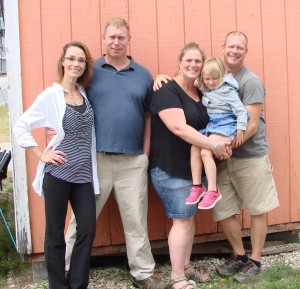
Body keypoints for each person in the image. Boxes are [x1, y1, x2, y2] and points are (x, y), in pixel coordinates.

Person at [153, 31, 279, 283]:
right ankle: (239, 255)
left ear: (246, 50)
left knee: (256, 208)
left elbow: (251, 124)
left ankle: (255, 259)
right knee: (224, 209)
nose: (234, 51)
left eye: (239, 47)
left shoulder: (249, 81)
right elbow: (184, 87)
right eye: (230, 46)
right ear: (222, 48)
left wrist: (225, 144)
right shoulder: (209, 80)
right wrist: (160, 76)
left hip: (247, 155)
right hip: (219, 155)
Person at [63, 18, 166, 289]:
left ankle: (143, 273)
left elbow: (147, 116)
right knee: (81, 220)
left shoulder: (143, 75)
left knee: (135, 221)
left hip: (132, 161)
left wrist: (144, 153)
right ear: (104, 38)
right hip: (93, 160)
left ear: (128, 39)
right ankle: (67, 270)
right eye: (111, 37)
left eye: (121, 37)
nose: (116, 42)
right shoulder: (90, 70)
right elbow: (67, 98)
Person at [13, 41, 98, 289]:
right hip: (58, 174)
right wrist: (41, 153)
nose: (76, 64)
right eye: (71, 58)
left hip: (83, 174)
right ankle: (58, 286)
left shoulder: (84, 94)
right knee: (55, 234)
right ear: (62, 61)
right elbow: (21, 126)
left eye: (81, 60)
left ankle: (78, 284)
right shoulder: (51, 95)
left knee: (87, 230)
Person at [150, 42, 230, 289]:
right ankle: (177, 278)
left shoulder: (202, 92)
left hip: (194, 170)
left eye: (198, 61)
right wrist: (214, 146)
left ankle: (185, 266)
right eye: (189, 60)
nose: (193, 65)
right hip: (170, 168)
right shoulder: (166, 90)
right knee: (182, 220)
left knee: (189, 219)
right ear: (180, 62)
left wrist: (224, 141)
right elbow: (178, 128)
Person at [186, 57, 248, 210]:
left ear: (222, 76)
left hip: (227, 125)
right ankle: (197, 186)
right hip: (213, 126)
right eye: (207, 79)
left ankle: (213, 190)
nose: (211, 82)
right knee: (195, 147)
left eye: (215, 79)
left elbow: (241, 111)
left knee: (206, 151)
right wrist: (163, 77)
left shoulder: (228, 91)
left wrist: (240, 129)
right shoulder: (206, 87)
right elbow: (187, 80)